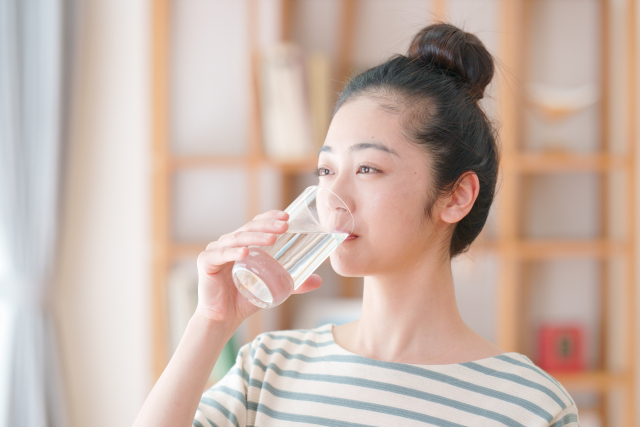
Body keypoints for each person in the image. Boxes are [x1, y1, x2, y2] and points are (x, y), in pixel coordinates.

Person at [133, 23, 580, 427]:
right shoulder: (269, 367)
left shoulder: (528, 405)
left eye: (368, 169)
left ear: (456, 196)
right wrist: (211, 322)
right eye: (326, 171)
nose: (335, 199)